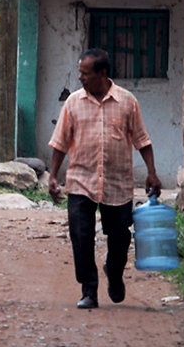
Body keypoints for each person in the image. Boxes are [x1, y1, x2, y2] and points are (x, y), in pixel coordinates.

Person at [48, 48, 163, 309]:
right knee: (81, 235)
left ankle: (114, 271)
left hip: (117, 182)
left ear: (102, 73)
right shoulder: (73, 102)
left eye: (85, 73)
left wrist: (152, 172)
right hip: (80, 180)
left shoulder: (127, 101)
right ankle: (89, 290)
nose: (81, 78)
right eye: (80, 72)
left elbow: (142, 140)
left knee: (120, 237)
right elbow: (60, 142)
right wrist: (53, 176)